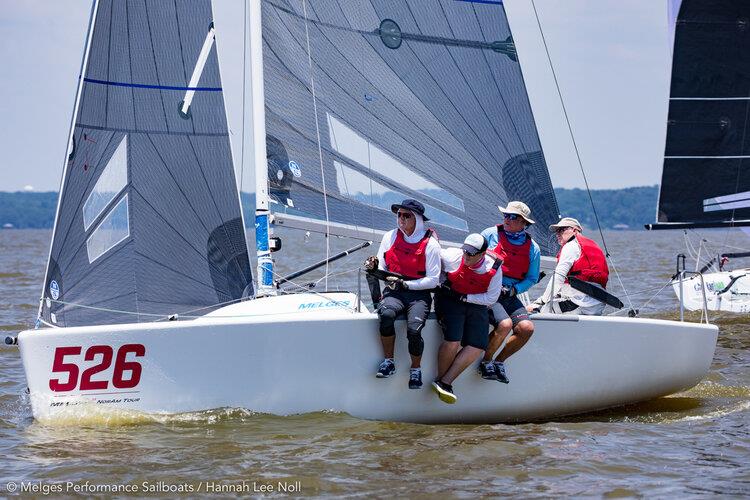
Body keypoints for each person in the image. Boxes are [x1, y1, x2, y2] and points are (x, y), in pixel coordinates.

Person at [364, 199, 441, 390]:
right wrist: (374, 268)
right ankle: (389, 361)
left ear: (418, 219)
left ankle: (416, 369)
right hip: (394, 292)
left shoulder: (430, 244)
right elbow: (383, 268)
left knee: (414, 330)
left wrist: (406, 285)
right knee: (386, 315)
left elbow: (433, 280)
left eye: (406, 215)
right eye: (399, 215)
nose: (401, 219)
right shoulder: (389, 237)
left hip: (419, 295)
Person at [431, 234, 503, 404]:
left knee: (478, 345)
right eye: (465, 251)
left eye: (471, 254)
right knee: (453, 341)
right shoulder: (451, 256)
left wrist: (466, 297)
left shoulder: (494, 267)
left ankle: (444, 382)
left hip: (474, 301)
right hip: (450, 299)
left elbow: (491, 298)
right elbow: (430, 257)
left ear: (482, 254)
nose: (466, 256)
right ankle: (441, 383)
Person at [479, 201, 540, 384]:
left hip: (509, 294)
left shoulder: (533, 248)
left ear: (524, 223)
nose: (507, 219)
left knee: (526, 328)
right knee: (504, 325)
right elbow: (468, 256)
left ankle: (499, 361)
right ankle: (485, 361)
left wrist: (515, 289)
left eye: (513, 217)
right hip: (487, 291)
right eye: (506, 215)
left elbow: (531, 278)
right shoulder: (489, 235)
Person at [528, 217, 608, 315]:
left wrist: (542, 301)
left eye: (562, 230)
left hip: (580, 303)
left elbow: (559, 276)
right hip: (597, 303)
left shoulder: (571, 246)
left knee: (535, 311)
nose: (558, 234)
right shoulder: (593, 245)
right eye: (557, 231)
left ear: (574, 230)